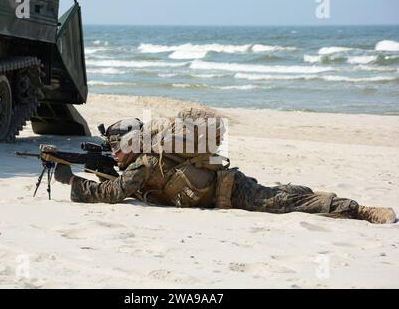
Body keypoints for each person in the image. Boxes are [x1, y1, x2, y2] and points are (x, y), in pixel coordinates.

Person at [54, 111, 397, 225]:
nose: (114, 154)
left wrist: (72, 181)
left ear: (131, 144)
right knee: (286, 195)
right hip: (225, 189)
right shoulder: (145, 161)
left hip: (232, 192)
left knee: (289, 200)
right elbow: (124, 183)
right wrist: (99, 168)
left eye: (116, 147)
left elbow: (114, 193)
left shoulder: (143, 164)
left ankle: (361, 210)